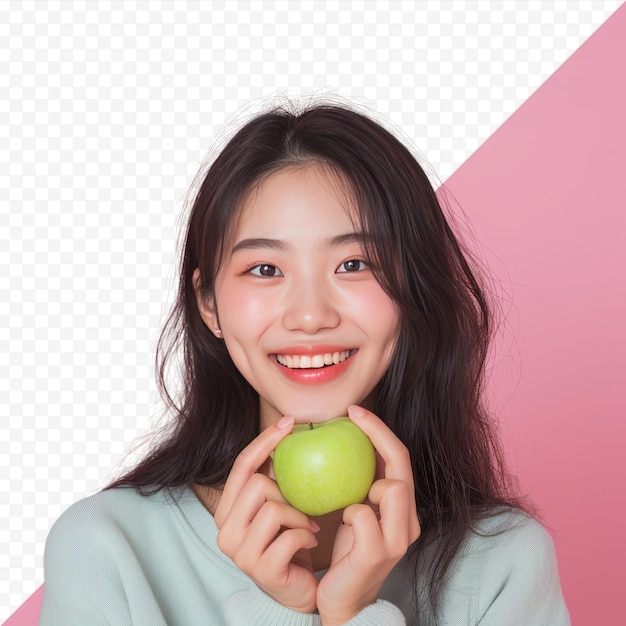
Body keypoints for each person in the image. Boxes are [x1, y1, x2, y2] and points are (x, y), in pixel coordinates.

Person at [39, 102, 570, 625]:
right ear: (209, 305)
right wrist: (280, 610)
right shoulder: (104, 551)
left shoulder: (504, 564)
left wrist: (350, 614)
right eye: (265, 268)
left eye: (354, 263)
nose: (311, 316)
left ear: (415, 291)